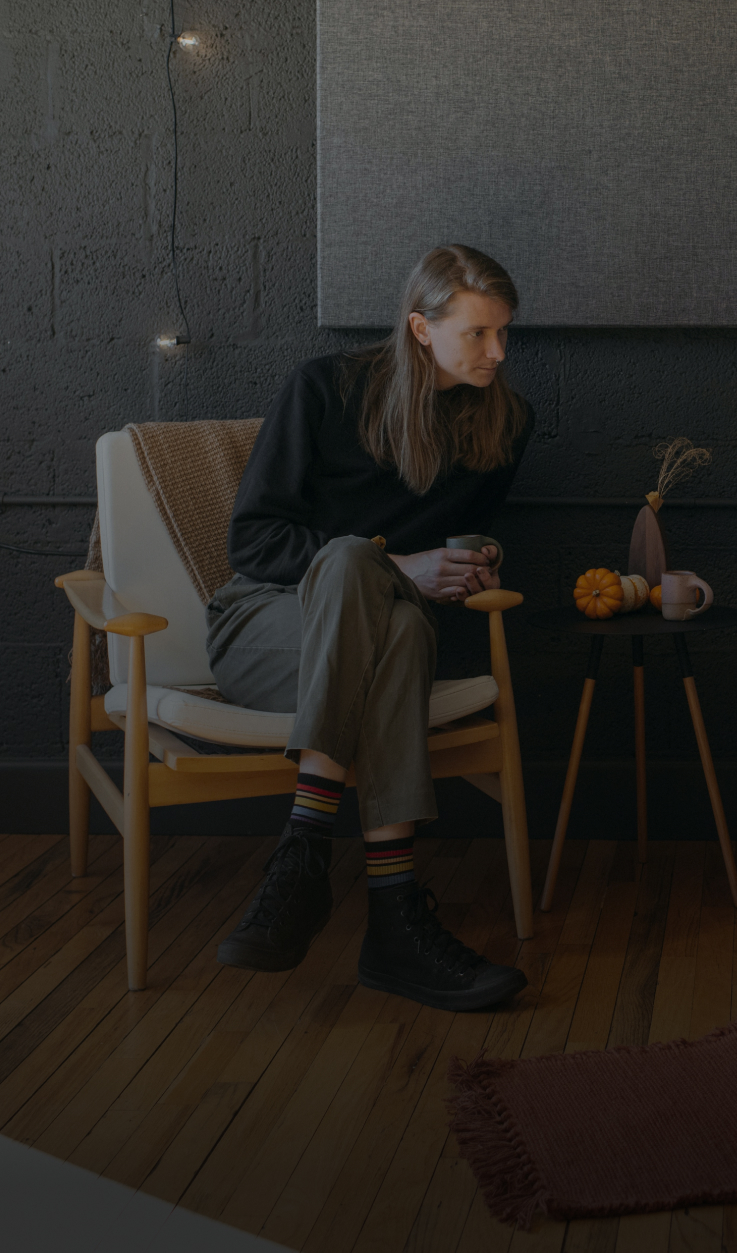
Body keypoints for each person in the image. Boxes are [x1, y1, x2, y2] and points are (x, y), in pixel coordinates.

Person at [206, 244, 533, 1011]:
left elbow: (466, 535)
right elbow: (252, 543)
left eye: (504, 332)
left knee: (402, 625)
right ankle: (377, 903)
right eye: (478, 334)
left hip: (384, 638)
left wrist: (474, 562)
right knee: (358, 565)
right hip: (265, 627)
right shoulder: (324, 388)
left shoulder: (506, 423)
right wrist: (396, 564)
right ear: (421, 328)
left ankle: (317, 866)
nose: (498, 352)